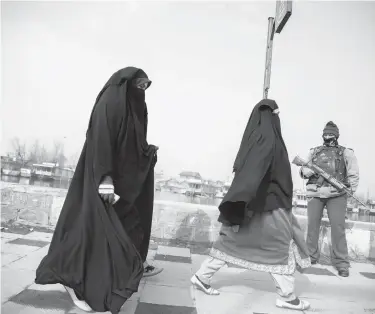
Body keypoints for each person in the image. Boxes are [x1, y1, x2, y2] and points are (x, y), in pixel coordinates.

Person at [35, 67, 162, 314]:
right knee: (89, 230)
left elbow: (133, 145)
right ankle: (68, 278)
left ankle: (115, 274)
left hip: (123, 182)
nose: (142, 92)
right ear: (127, 83)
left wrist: (147, 154)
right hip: (103, 178)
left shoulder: (136, 107)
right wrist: (105, 177)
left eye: (146, 87)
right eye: (139, 85)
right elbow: (101, 139)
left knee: (123, 229)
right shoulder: (112, 100)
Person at [191, 99, 311, 311]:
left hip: (253, 206)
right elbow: (254, 172)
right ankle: (287, 296)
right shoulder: (268, 139)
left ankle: (202, 276)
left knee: (231, 242)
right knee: (279, 248)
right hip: (269, 206)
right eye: (276, 114)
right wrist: (241, 197)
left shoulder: (256, 137)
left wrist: (239, 200)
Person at [299, 121, 359, 277]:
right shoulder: (314, 152)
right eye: (325, 133)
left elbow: (353, 175)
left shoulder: (346, 153)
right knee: (312, 227)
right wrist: (310, 170)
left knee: (338, 229)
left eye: (331, 134)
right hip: (315, 193)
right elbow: (303, 170)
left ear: (337, 135)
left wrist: (350, 191)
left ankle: (342, 264)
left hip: (337, 194)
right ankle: (310, 257)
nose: (328, 136)